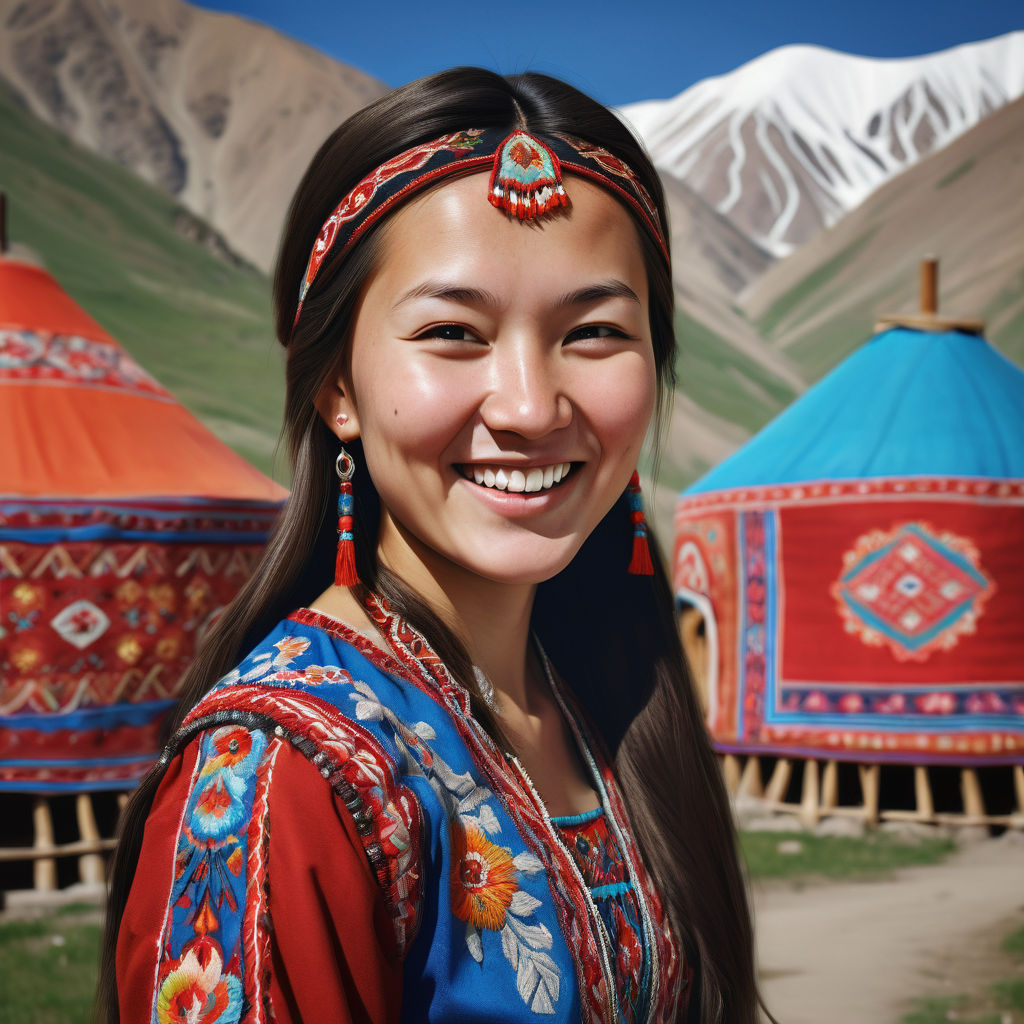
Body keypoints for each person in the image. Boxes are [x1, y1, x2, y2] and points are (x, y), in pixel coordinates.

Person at [96, 68, 766, 1024]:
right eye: (453, 331)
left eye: (595, 332)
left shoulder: (602, 701)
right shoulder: (273, 780)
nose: (532, 407)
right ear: (336, 387)